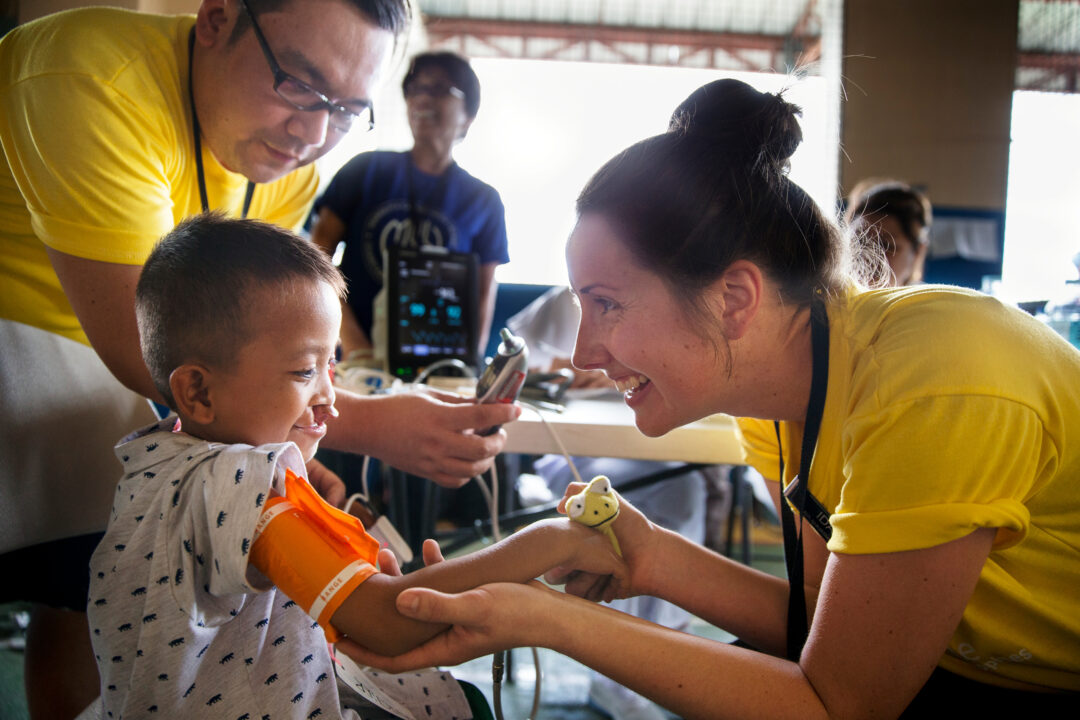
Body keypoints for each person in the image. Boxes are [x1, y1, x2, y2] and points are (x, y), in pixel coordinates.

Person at [339, 78, 1080, 716]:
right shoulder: (783, 402)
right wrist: (649, 556)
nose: (583, 352)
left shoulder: (937, 381)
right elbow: (821, 624)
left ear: (733, 297)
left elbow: (842, 704)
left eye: (607, 304)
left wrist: (543, 618)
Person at [0, 2, 516, 717]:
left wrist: (291, 434)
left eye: (345, 109)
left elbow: (257, 338)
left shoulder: (284, 162)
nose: (312, 132)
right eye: (299, 86)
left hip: (138, 389)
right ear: (215, 18)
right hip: (29, 343)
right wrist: (366, 426)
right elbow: (142, 339)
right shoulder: (93, 76)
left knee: (83, 596)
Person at [88, 212, 624, 719]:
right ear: (198, 391)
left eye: (332, 364)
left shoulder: (155, 458)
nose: (329, 397)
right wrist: (552, 541)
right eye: (303, 371)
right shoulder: (243, 486)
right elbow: (390, 621)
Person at [507, 285, 709, 720]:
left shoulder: (667, 292)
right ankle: (621, 674)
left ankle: (656, 641)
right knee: (629, 498)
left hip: (650, 447)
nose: (584, 350)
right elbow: (519, 361)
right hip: (581, 448)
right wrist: (559, 371)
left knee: (682, 489)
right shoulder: (564, 301)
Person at [312, 50, 508, 364]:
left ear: (468, 115)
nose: (423, 100)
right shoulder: (365, 170)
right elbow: (316, 257)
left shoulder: (483, 200)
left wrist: (468, 364)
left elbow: (483, 294)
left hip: (436, 361)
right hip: (351, 358)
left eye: (441, 90)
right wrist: (353, 343)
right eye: (416, 90)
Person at [843, 178, 933, 287]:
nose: (867, 257)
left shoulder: (930, 302)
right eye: (858, 242)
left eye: (885, 245)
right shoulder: (826, 298)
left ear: (918, 252)